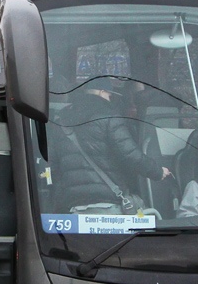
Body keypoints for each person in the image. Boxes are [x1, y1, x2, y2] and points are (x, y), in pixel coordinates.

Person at [55, 77, 171, 211]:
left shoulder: (61, 119)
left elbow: (52, 164)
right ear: (101, 92)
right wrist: (157, 171)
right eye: (109, 95)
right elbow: (130, 155)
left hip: (74, 204)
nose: (110, 99)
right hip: (107, 201)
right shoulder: (109, 115)